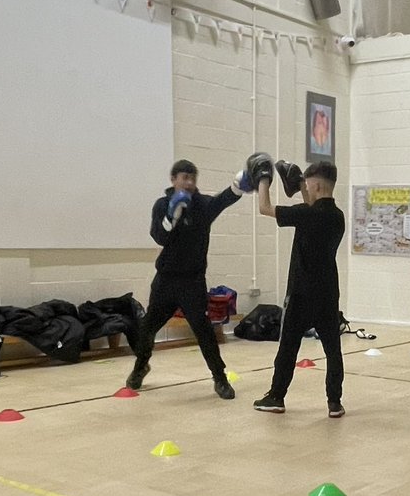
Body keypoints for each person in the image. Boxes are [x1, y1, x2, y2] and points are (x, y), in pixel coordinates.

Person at [126, 156, 262, 398]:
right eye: (184, 178)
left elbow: (223, 200)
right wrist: (172, 215)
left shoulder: (202, 205)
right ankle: (140, 367)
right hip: (165, 280)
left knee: (204, 331)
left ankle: (220, 378)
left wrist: (239, 184)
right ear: (173, 180)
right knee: (146, 328)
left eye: (192, 178)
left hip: (192, 281)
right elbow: (159, 236)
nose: (189, 183)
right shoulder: (162, 204)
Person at [252, 161, 346, 418]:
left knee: (288, 347)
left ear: (315, 185)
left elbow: (264, 208)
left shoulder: (307, 215)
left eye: (308, 185)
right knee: (333, 350)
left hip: (302, 293)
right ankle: (334, 402)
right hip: (328, 292)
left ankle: (276, 396)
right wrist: (300, 187)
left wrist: (263, 179)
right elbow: (312, 205)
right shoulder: (337, 216)